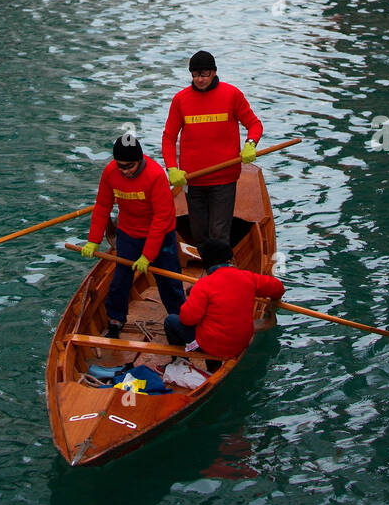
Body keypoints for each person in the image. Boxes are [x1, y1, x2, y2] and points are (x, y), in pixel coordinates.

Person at [81, 134, 185, 338]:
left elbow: (161, 218)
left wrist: (148, 255)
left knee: (168, 282)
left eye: (129, 166)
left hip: (160, 235)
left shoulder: (155, 176)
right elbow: (103, 206)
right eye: (120, 166)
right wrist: (93, 240)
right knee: (120, 279)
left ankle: (181, 321)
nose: (125, 171)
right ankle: (115, 320)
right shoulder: (111, 173)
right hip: (128, 232)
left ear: (139, 160)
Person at [161, 50, 262, 250]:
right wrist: (172, 167)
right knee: (199, 234)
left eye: (204, 74)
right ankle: (207, 269)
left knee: (219, 233)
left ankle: (219, 271)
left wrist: (250, 144)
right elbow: (169, 138)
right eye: (195, 75)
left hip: (224, 179)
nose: (199, 79)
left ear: (214, 72)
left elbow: (254, 124)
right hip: (193, 179)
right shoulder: (180, 100)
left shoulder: (232, 95)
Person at [163, 238, 284, 368]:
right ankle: (213, 369)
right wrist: (274, 301)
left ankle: (179, 362)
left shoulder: (203, 285)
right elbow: (278, 288)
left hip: (213, 345)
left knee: (171, 321)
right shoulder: (248, 277)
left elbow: (187, 319)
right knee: (212, 327)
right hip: (241, 343)